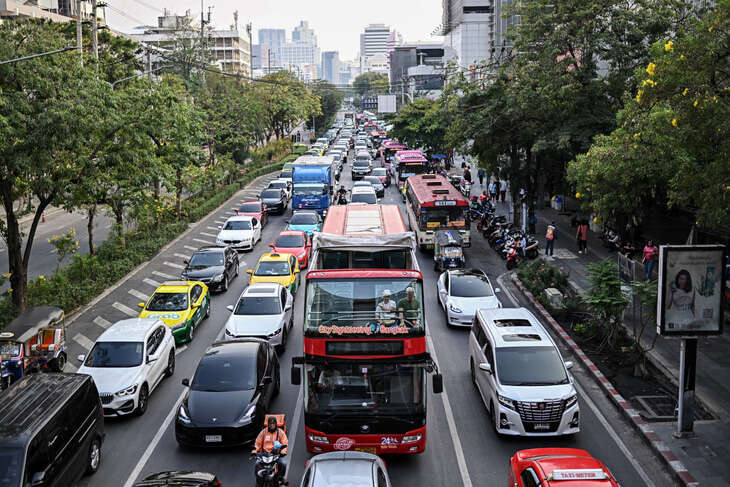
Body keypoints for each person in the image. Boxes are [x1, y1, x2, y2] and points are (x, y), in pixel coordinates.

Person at [252, 416, 289, 485]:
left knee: (283, 464)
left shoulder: (280, 433)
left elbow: (285, 443)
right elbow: (257, 443)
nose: (271, 425)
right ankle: (258, 479)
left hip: (275, 455)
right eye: (270, 424)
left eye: (273, 424)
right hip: (264, 455)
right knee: (256, 464)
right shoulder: (263, 432)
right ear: (268, 424)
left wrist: (283, 452)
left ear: (275, 424)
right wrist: (254, 452)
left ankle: (281, 477)